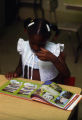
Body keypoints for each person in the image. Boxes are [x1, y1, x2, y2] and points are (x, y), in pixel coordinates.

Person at [5, 18, 70, 84]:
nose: (36, 48)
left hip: (48, 89)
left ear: (48, 38)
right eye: (32, 43)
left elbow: (66, 74)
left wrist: (53, 58)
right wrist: (15, 73)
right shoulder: (24, 46)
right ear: (27, 34)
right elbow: (20, 66)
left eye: (41, 44)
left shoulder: (54, 49)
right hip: (28, 87)